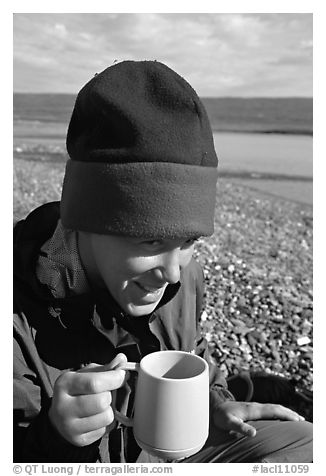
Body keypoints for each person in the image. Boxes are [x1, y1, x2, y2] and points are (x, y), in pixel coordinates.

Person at [13, 60, 312, 463]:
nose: (173, 271)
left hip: (177, 451)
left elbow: (193, 351)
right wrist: (57, 437)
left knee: (308, 444)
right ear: (88, 218)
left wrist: (214, 401)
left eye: (189, 240)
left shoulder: (183, 275)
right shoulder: (14, 315)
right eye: (150, 239)